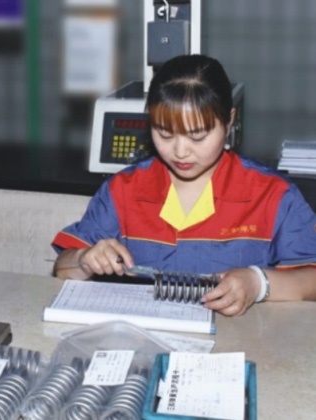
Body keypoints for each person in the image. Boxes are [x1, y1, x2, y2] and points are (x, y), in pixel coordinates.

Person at [52, 54, 316, 316]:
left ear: (229, 122)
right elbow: (62, 267)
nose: (180, 152)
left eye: (197, 137)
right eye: (164, 134)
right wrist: (84, 260)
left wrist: (258, 283)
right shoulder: (123, 190)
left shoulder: (272, 195)